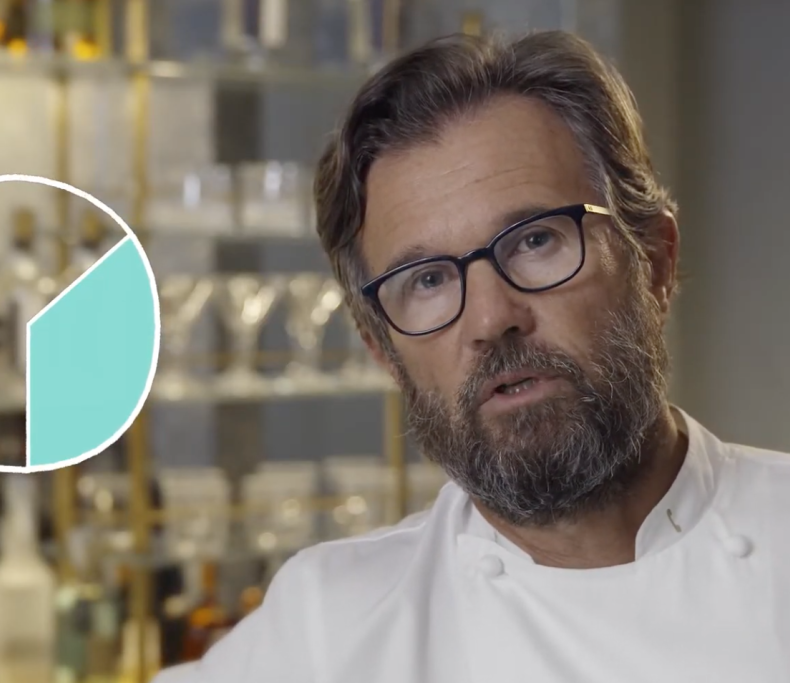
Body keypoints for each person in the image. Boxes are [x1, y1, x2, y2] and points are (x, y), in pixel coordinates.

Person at [153, 30, 790, 683]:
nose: (491, 318)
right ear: (382, 351)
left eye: (535, 241)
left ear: (655, 260)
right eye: (427, 280)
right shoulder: (329, 626)